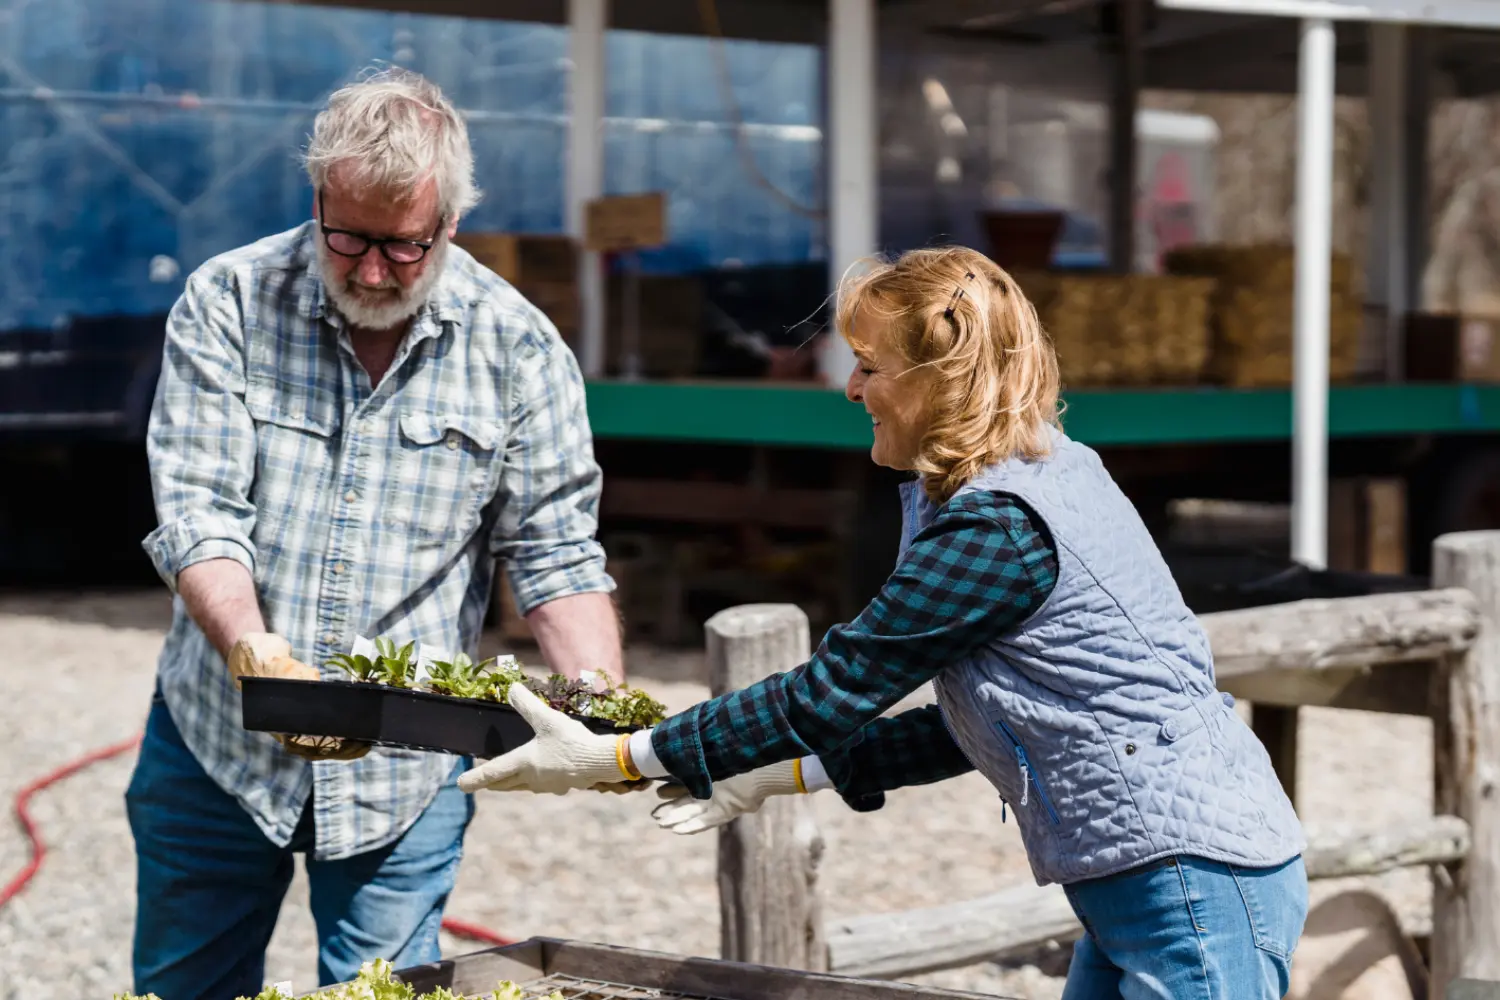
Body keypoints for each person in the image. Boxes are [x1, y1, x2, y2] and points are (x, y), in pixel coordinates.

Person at [458, 245, 1311, 999]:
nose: (850, 387)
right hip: (1164, 880)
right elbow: (981, 728)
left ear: (941, 381)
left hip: (1191, 887)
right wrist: (774, 777)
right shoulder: (1043, 473)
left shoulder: (999, 529)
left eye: (869, 364)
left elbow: (831, 689)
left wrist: (619, 759)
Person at [128, 67, 622, 999]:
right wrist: (254, 650)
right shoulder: (228, 300)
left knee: (381, 995)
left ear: (450, 221)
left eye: (402, 247)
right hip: (217, 748)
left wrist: (598, 706)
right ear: (317, 197)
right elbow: (198, 513)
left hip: (404, 772)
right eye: (347, 235)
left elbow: (555, 550)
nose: (367, 270)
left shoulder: (516, 346)